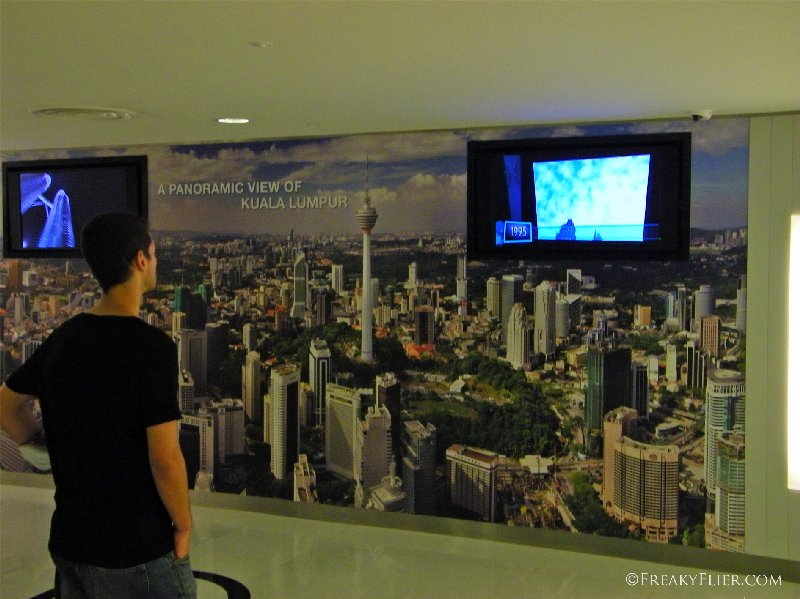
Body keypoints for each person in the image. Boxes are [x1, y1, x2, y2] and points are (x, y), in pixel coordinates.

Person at [0, 212, 196, 598]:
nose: (154, 262)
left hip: (71, 543)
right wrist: (184, 524)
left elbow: (5, 405)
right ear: (141, 260)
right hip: (134, 547)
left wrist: (40, 447)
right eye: (153, 254)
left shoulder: (64, 339)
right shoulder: (151, 348)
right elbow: (165, 458)